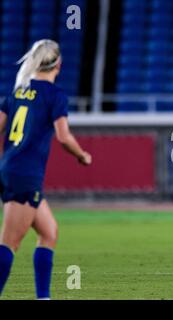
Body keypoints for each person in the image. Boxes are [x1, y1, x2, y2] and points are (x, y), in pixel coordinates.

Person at [0, 39, 92, 299]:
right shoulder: (54, 95)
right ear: (58, 64)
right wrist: (82, 155)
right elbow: (63, 137)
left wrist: (6, 162)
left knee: (49, 232)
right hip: (25, 173)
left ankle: (44, 297)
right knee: (9, 243)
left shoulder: (18, 91)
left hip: (13, 169)